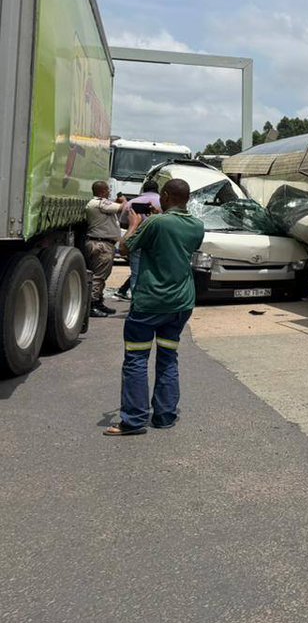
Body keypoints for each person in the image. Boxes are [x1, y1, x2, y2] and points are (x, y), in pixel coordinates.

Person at [104, 178, 205, 436]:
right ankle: (164, 416)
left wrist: (135, 225)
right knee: (168, 357)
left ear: (167, 195)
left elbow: (125, 248)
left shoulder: (156, 222)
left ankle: (134, 420)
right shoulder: (197, 225)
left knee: (137, 358)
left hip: (150, 302)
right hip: (181, 304)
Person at [115, 179, 162, 301]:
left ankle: (136, 303)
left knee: (136, 274)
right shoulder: (162, 203)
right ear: (157, 190)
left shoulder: (131, 203)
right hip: (157, 243)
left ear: (143, 189)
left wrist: (136, 223)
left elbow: (123, 223)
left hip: (137, 242)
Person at [84, 180, 125, 317]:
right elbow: (121, 208)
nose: (109, 192)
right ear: (102, 191)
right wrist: (123, 200)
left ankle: (98, 301)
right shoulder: (100, 202)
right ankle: (92, 305)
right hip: (101, 245)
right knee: (98, 276)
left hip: (100, 243)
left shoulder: (97, 203)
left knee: (101, 275)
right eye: (107, 190)